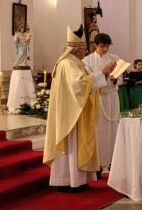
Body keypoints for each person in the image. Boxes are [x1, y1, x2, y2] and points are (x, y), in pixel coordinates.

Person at [43, 26, 115, 192]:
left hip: (76, 110)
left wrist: (103, 75)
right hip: (70, 114)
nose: (86, 51)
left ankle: (79, 179)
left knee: (77, 145)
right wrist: (102, 73)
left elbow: (85, 82)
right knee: (71, 146)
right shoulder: (67, 64)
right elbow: (79, 84)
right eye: (84, 49)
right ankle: (67, 180)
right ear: (76, 50)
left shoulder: (75, 63)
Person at [82, 33, 121, 173]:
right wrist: (103, 73)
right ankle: (99, 161)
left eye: (107, 46)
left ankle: (113, 160)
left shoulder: (115, 58)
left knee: (114, 128)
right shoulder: (87, 60)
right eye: (102, 46)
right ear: (95, 45)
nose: (105, 49)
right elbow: (88, 80)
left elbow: (120, 78)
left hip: (112, 96)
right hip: (98, 97)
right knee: (100, 130)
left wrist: (115, 78)